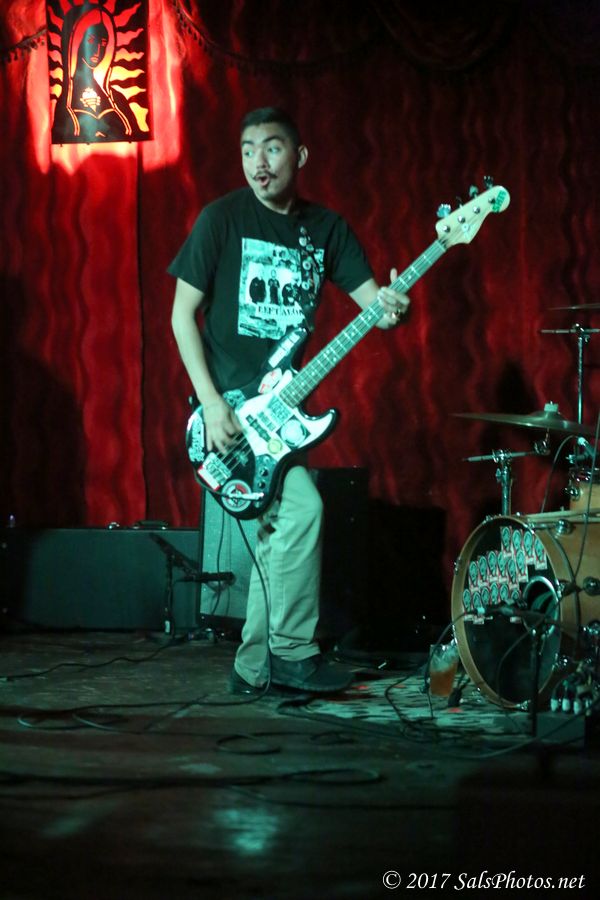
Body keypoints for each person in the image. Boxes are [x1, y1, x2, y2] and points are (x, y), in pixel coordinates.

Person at [169, 107, 409, 695]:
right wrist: (213, 403)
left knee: (287, 525)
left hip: (279, 416)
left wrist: (393, 306)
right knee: (300, 512)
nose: (259, 161)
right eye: (248, 149)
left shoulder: (324, 229)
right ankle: (289, 656)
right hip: (229, 415)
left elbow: (375, 308)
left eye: (272, 148)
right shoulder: (221, 218)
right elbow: (181, 315)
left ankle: (257, 667)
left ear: (298, 156)